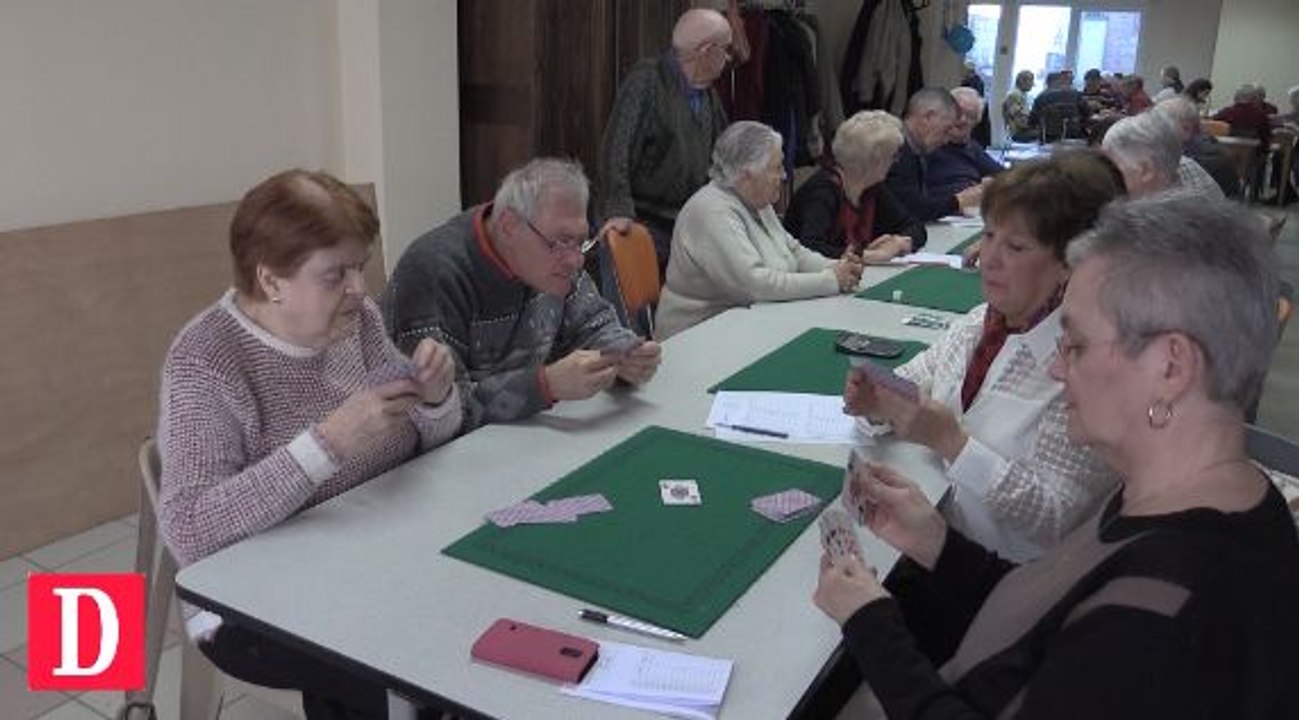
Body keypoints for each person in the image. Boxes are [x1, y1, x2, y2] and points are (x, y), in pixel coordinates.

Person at [815, 194, 1299, 718]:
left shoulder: (1169, 612)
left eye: (1078, 346)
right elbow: (1053, 617)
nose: (1056, 370)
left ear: (1170, 367)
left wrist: (870, 623)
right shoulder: (1182, 497)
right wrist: (936, 542)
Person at [158, 169, 462, 719]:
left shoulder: (359, 321)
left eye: (360, 267)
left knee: (466, 632)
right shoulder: (206, 361)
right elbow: (190, 529)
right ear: (271, 281)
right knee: (408, 671)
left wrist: (438, 399)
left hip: (366, 552)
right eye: (335, 274)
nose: (359, 289)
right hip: (245, 603)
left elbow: (421, 439)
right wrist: (327, 444)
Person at [843, 151, 1123, 564]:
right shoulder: (982, 323)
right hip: (936, 542)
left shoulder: (1088, 364)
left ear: (1068, 264)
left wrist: (952, 442)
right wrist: (876, 402)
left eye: (1015, 246)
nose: (988, 258)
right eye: (989, 235)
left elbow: (1055, 518)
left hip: (1008, 586)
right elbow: (914, 377)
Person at [385, 158, 661, 432]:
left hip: (530, 436)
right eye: (562, 241)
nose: (576, 261)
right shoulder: (432, 273)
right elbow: (441, 412)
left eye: (581, 241)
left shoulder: (557, 259)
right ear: (508, 225)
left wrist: (626, 355)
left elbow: (593, 325)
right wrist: (545, 385)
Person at [654, 121, 864, 339]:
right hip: (700, 337)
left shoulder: (756, 199)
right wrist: (830, 280)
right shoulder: (711, 211)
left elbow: (794, 252)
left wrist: (839, 268)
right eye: (776, 168)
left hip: (750, 324)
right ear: (746, 176)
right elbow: (753, 285)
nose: (784, 176)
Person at [597, 8, 732, 276]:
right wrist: (619, 209)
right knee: (641, 310)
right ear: (706, 50)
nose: (729, 58)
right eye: (725, 50)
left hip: (685, 224)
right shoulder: (647, 80)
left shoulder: (708, 96)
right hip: (642, 222)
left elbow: (723, 156)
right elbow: (616, 148)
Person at [784, 110, 926, 261]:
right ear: (876, 162)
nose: (895, 162)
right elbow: (809, 247)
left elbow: (915, 227)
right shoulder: (823, 191)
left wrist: (899, 243)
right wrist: (868, 256)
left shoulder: (872, 188)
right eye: (893, 156)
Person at [886, 88, 983, 221]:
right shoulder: (892, 149)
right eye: (946, 129)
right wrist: (958, 201)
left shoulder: (916, 151)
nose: (947, 140)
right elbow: (913, 208)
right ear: (929, 117)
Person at [1102, 111, 1225, 199]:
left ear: (1146, 170)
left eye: (1112, 167)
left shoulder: (1146, 223)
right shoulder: (1186, 164)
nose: (1105, 174)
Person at [1154, 96, 1241, 198]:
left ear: (1185, 128)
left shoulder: (1201, 161)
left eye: (1159, 125)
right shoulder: (1207, 144)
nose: (1153, 131)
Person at [925, 87, 1004, 198]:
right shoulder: (928, 146)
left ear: (976, 122)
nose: (962, 120)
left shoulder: (971, 147)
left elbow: (1004, 175)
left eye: (970, 116)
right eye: (958, 112)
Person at [1029, 71, 1087, 141]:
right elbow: (1087, 113)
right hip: (1073, 134)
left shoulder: (1041, 96)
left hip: (1048, 136)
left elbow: (1032, 120)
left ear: (1048, 83)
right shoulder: (1076, 94)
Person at [1003, 70, 1036, 142]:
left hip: (1023, 130)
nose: (1032, 85)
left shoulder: (1021, 94)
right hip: (1019, 133)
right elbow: (1019, 121)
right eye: (1031, 82)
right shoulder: (1015, 95)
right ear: (1022, 81)